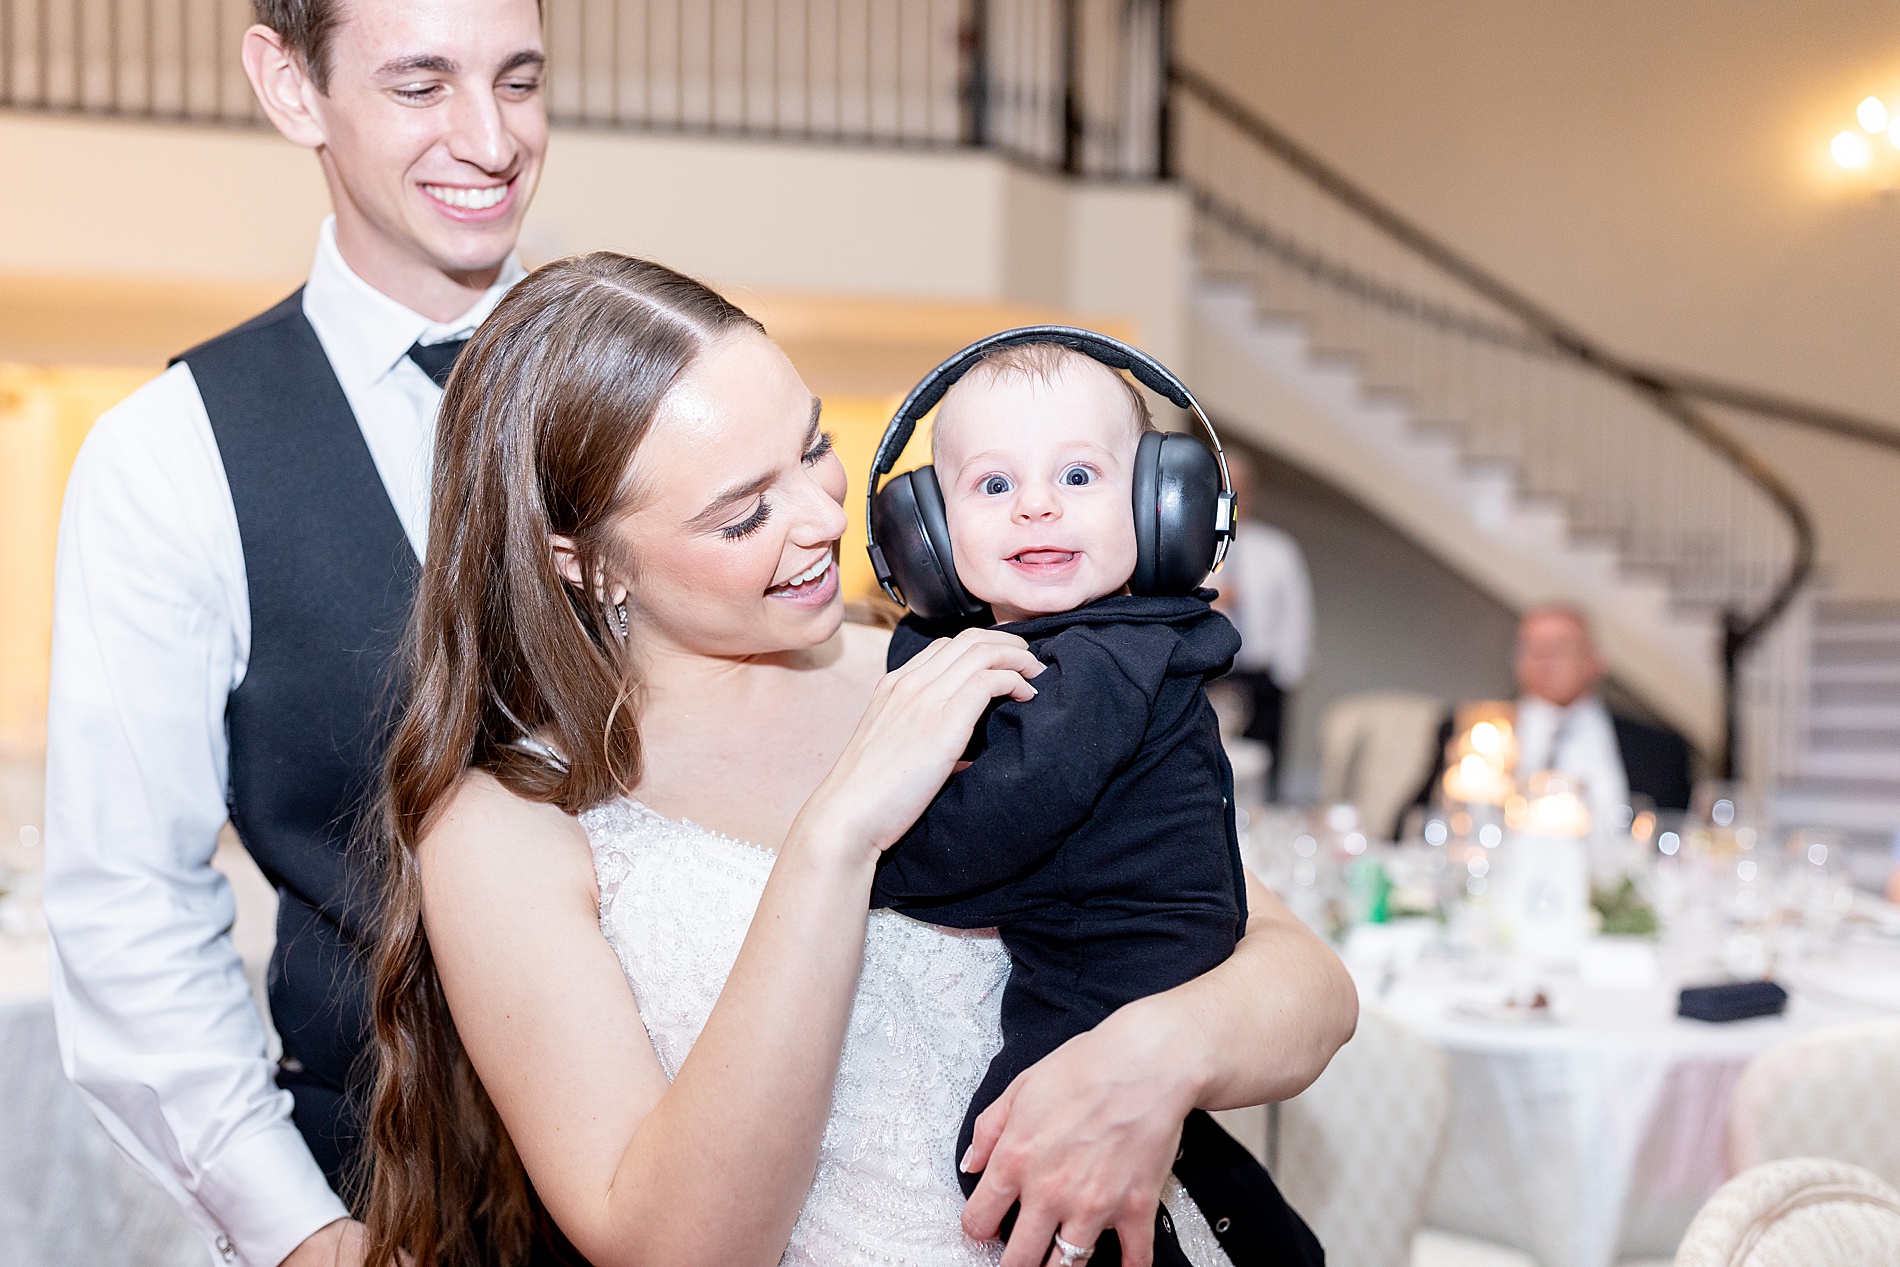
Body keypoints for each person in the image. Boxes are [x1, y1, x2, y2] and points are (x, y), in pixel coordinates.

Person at [363, 254, 1359, 1267]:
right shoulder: (504, 824)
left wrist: (1160, 1055)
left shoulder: (964, 653)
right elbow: (674, 1246)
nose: (823, 518)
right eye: (742, 511)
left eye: (812, 449)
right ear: (583, 558)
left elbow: (1307, 984)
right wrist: (836, 839)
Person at [41, 2, 547, 1264]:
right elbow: (129, 902)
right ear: (290, 87)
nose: (490, 139)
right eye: (421, 85)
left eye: (519, 79)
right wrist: (300, 1232)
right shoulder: (171, 456)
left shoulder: (666, 384)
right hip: (384, 1198)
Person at [867, 342, 1317, 1266]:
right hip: (1134, 945)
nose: (1036, 504)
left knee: (1011, 1157)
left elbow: (988, 832)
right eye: (993, 486)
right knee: (1174, 1164)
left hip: (1108, 964)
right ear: (929, 537)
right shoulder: (1099, 640)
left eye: (1078, 474)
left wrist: (864, 858)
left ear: (1164, 509)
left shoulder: (1101, 663)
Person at [1415, 604, 1694, 824]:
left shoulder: (1659, 748)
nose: (1543, 659)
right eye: (1531, 648)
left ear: (1596, 661)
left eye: (1560, 648)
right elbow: (1416, 825)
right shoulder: (1471, 731)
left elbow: (1679, 839)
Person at [1209, 449, 1312, 798]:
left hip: (1260, 680)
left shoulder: (1277, 549)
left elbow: (1296, 615)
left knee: (1263, 782)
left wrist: (1286, 676)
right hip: (1206, 676)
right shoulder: (1191, 546)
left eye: (1239, 487)